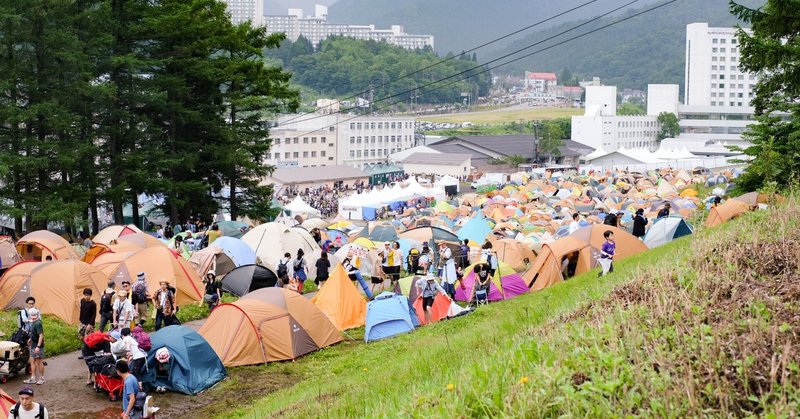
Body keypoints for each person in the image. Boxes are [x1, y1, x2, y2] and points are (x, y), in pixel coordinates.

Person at [24, 309, 45, 385]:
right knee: (32, 360)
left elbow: (41, 335)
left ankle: (42, 378)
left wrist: (38, 346)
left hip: (37, 346)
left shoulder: (38, 323)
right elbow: (34, 333)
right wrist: (30, 339)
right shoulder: (33, 322)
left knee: (39, 361)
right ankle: (33, 378)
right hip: (33, 345)